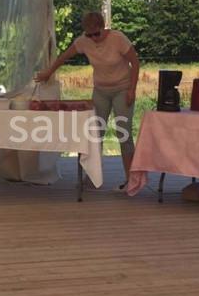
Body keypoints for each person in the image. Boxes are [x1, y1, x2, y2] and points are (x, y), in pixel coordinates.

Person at [36, 11, 140, 180]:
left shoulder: (117, 38)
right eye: (89, 34)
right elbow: (63, 57)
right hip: (100, 90)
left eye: (96, 34)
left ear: (103, 27)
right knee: (95, 133)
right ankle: (93, 176)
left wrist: (132, 90)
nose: (93, 38)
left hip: (122, 88)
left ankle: (131, 179)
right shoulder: (83, 41)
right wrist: (48, 72)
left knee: (124, 134)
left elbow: (135, 62)